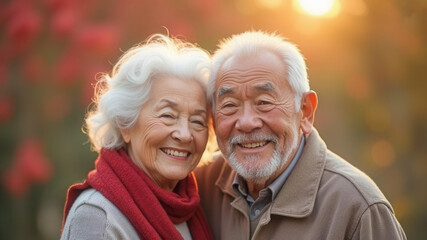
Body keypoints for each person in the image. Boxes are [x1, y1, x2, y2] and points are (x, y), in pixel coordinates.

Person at [195, 31, 406, 240]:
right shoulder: (200, 183)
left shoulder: (358, 209)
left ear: (305, 111)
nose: (247, 122)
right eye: (230, 105)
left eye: (264, 102)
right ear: (212, 118)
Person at [61, 34, 213, 240]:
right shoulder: (97, 218)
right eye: (168, 116)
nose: (185, 135)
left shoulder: (193, 206)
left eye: (197, 121)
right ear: (125, 123)